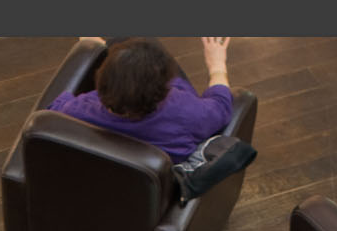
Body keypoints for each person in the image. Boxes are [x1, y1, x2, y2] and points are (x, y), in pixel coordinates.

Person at [48, 36, 234, 161]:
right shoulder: (186, 112)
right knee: (146, 46)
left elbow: (54, 107)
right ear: (164, 89)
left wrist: (89, 49)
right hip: (158, 182)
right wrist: (216, 64)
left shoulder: (77, 112)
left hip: (115, 175)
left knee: (123, 43)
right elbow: (222, 106)